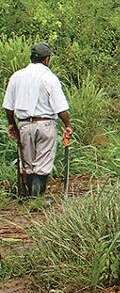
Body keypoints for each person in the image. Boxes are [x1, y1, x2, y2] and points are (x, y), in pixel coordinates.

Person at [3, 43, 73, 197]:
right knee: (43, 163)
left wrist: (12, 125)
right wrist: (67, 125)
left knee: (27, 163)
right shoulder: (49, 78)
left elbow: (8, 107)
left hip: (24, 124)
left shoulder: (16, 76)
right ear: (47, 59)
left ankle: (29, 197)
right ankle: (37, 197)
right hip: (45, 124)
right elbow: (61, 108)